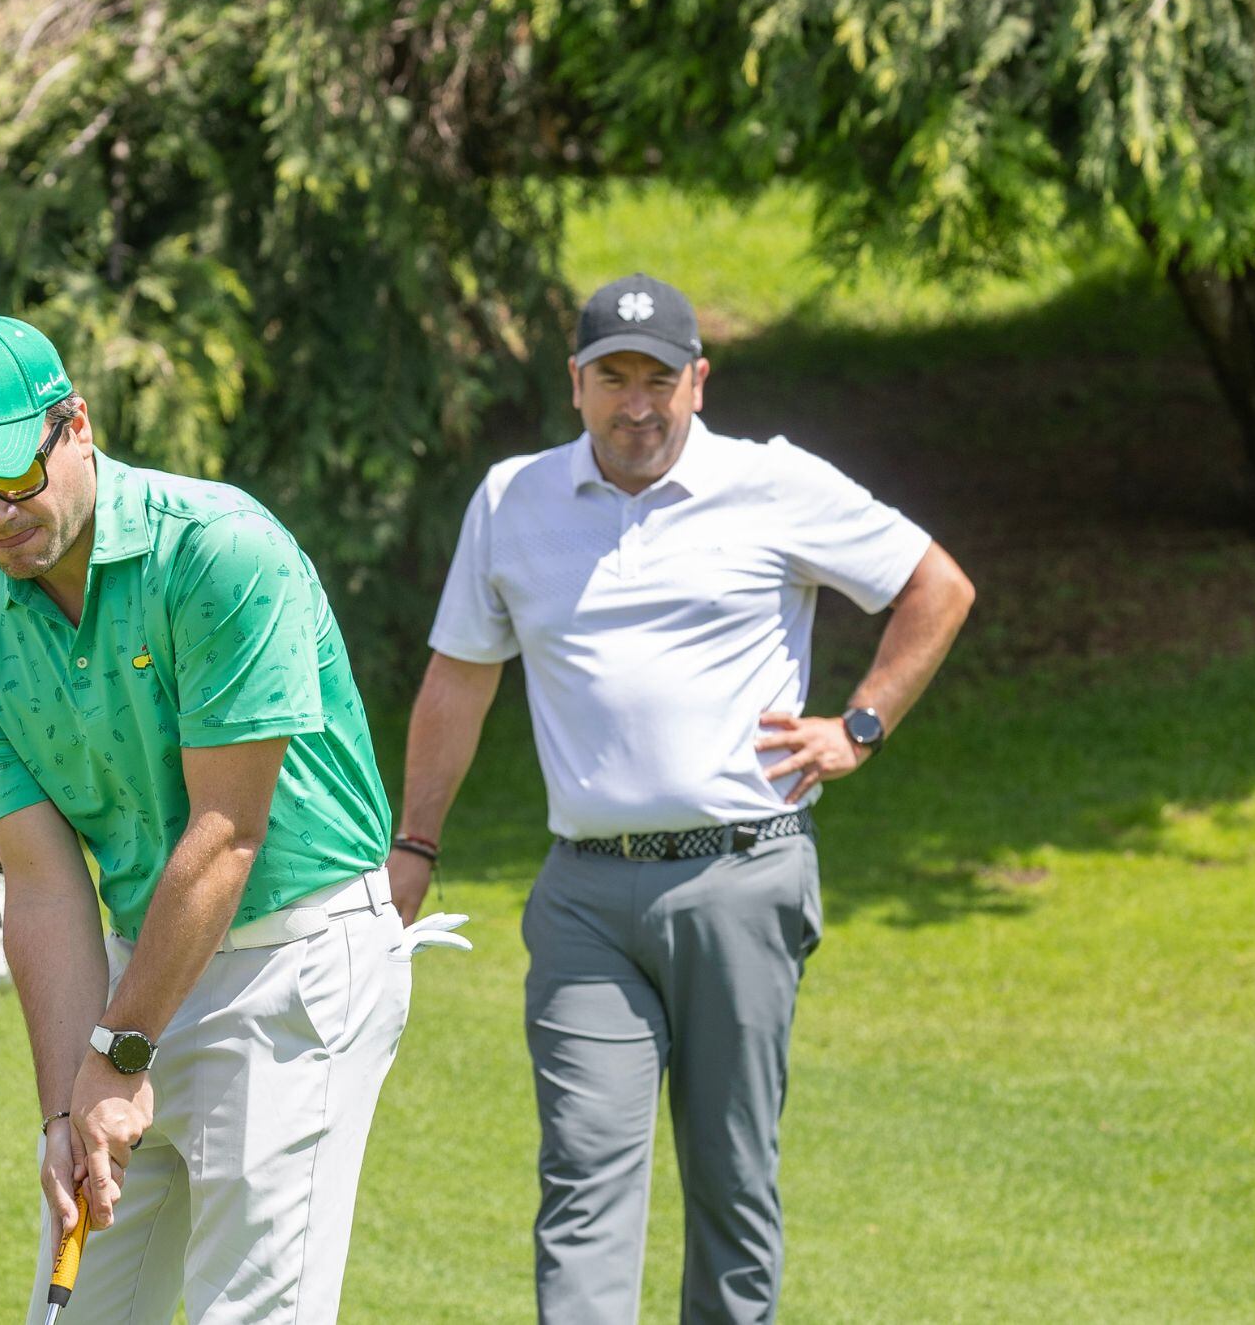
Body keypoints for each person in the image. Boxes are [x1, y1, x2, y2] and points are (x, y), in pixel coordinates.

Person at [392, 273, 976, 1323]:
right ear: (574, 384)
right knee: (581, 1183)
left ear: (697, 382)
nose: (636, 404)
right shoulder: (512, 499)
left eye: (657, 379)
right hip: (582, 899)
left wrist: (859, 725)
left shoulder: (772, 483)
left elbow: (936, 585)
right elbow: (458, 680)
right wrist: (415, 842)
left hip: (741, 879)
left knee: (732, 1185)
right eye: (612, 378)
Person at [0, 314, 432, 1325]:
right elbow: (42, 883)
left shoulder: (219, 549)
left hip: (293, 964)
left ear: (75, 425)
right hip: (139, 968)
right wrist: (67, 1107)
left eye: (12, 474)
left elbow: (228, 830)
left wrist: (120, 1052)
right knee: (83, 1307)